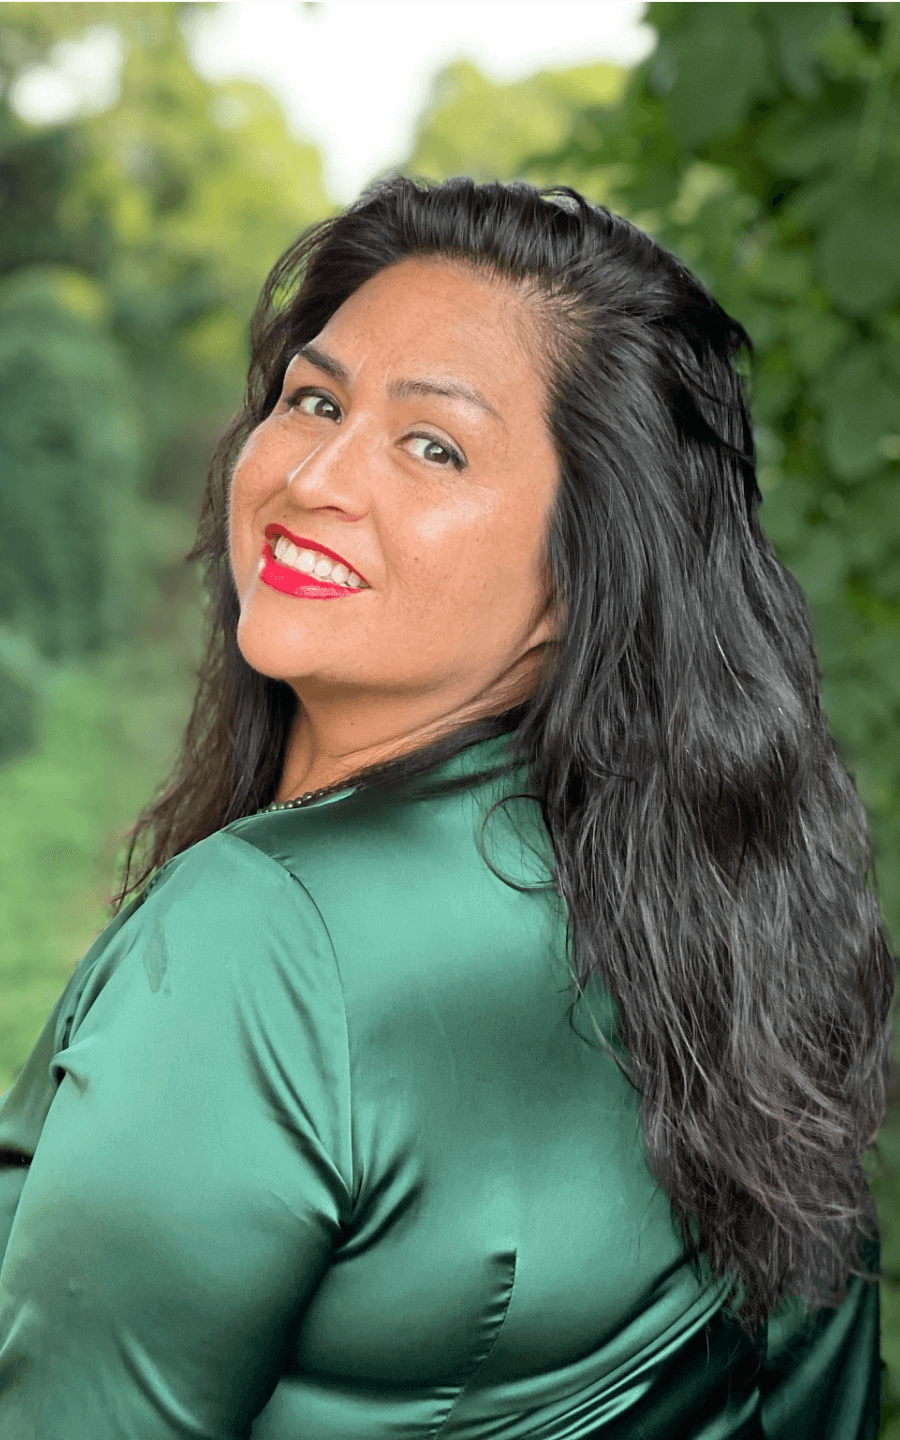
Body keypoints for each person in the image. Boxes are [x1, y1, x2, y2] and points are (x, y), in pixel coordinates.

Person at [0, 176, 894, 1438]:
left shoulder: (262, 943)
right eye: (314, 399)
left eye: (434, 445)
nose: (314, 474)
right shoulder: (735, 903)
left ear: (592, 563)